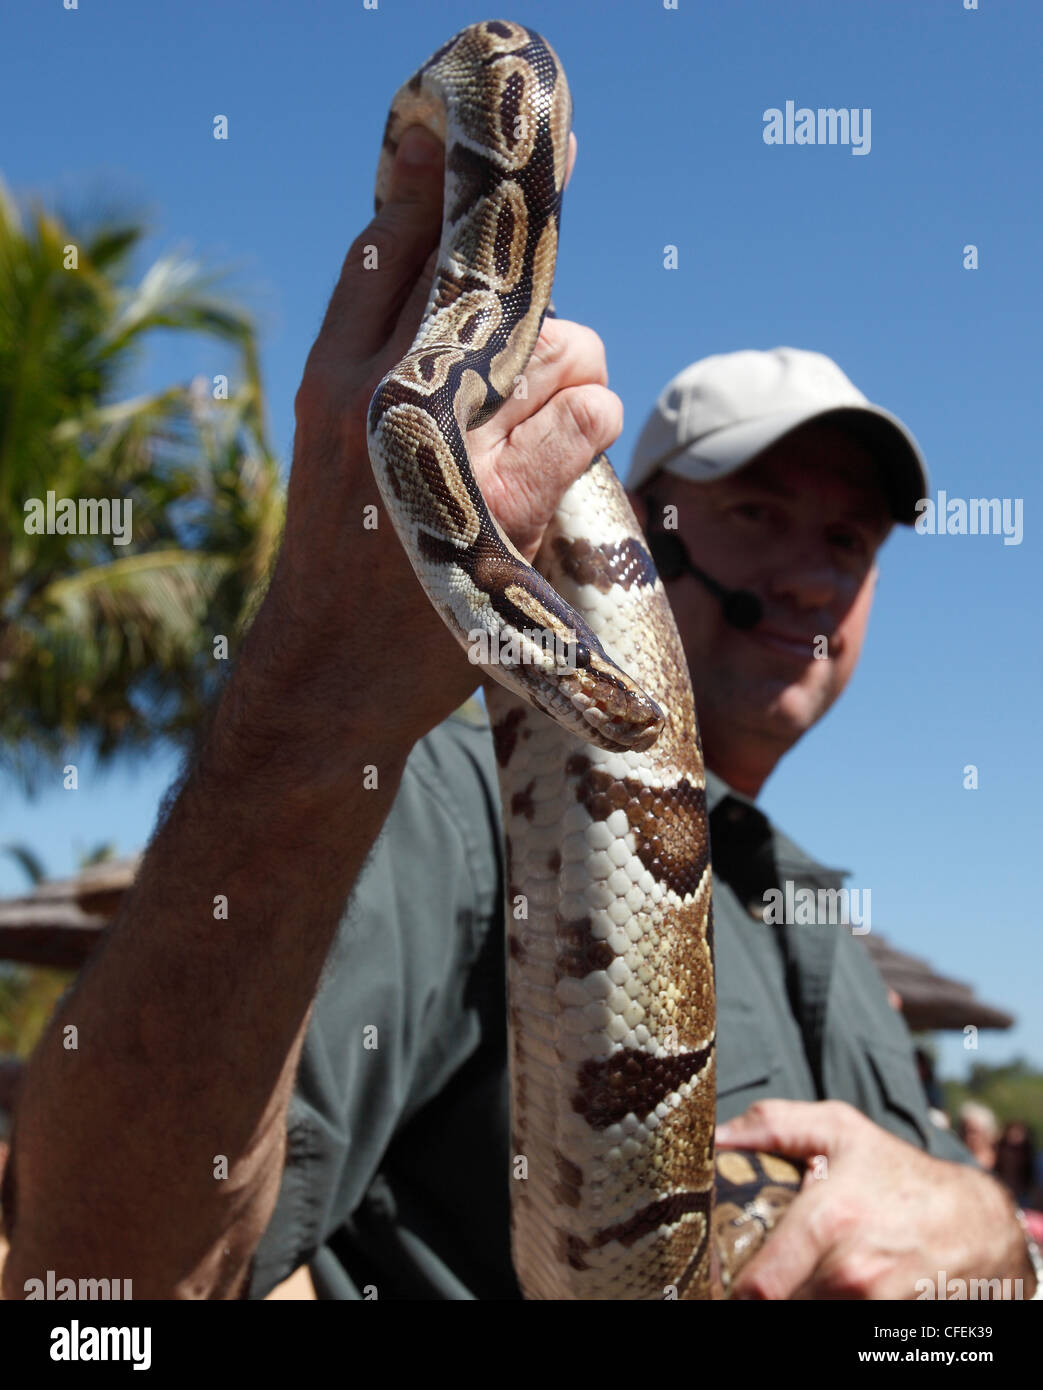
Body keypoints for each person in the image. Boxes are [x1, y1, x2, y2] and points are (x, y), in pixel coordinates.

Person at [1, 126, 1037, 1302]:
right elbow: (93, 1285)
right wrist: (314, 683)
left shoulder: (818, 923)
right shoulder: (438, 794)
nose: (809, 577)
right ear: (643, 525)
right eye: (756, 511)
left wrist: (984, 1227)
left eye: (848, 542)